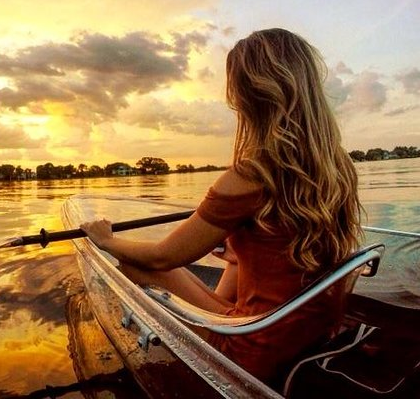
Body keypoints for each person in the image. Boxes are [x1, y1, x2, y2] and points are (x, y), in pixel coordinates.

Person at [80, 28, 363, 386]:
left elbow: (162, 257)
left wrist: (105, 238)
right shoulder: (339, 167)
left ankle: (168, 354)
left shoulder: (252, 174)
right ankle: (218, 307)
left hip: (253, 347)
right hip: (308, 336)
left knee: (129, 264)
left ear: (248, 96)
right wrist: (239, 243)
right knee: (233, 254)